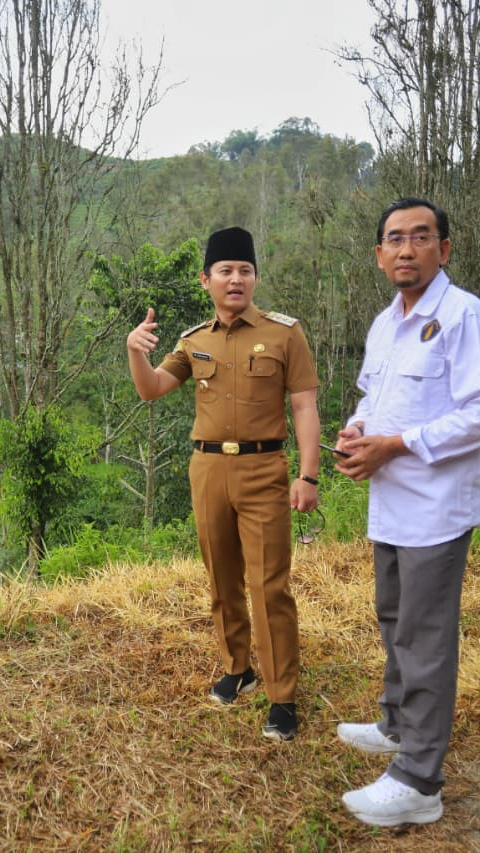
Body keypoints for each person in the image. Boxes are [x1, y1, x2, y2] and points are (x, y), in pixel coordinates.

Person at [332, 198, 480, 826]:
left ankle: (419, 781)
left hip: (437, 504)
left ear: (444, 248)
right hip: (390, 498)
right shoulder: (386, 323)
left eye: (420, 236)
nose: (406, 249)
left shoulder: (466, 318)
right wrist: (357, 433)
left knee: (425, 635)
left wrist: (397, 444)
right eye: (394, 239)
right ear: (380, 255)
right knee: (393, 616)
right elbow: (371, 395)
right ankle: (396, 724)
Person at [126, 226, 321, 742]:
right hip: (208, 469)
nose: (236, 279)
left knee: (269, 585)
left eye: (245, 270)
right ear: (206, 279)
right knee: (221, 576)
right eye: (226, 271)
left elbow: (303, 405)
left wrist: (308, 473)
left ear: (255, 277)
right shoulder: (194, 341)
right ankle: (239, 669)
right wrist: (135, 351)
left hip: (264, 470)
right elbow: (152, 390)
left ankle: (282, 697)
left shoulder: (284, 334)